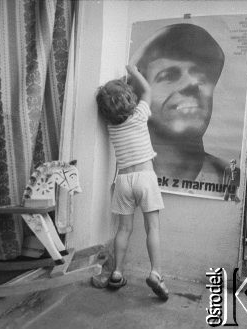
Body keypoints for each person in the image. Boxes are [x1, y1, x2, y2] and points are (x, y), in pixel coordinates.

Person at [95, 65, 168, 300]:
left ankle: (117, 272)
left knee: (123, 229)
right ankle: (156, 273)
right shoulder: (139, 116)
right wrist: (134, 72)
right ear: (129, 99)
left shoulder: (112, 127)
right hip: (145, 178)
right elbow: (147, 90)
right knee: (152, 228)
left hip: (123, 180)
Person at [130, 23, 227, 185]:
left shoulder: (228, 177)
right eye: (168, 76)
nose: (192, 83)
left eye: (202, 77)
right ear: (139, 96)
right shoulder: (131, 172)